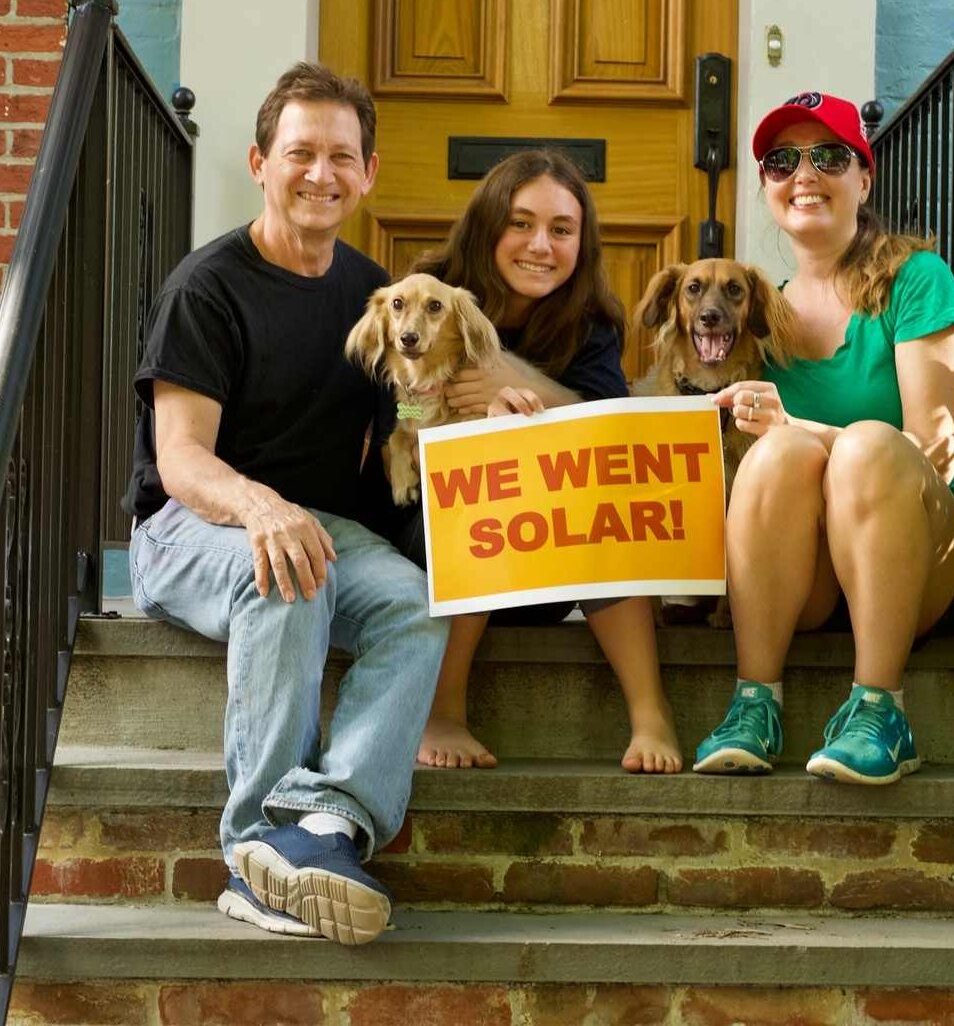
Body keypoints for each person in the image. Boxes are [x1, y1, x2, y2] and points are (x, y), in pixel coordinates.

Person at [123, 62, 448, 944]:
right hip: (192, 525)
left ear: (369, 173)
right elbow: (182, 457)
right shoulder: (209, 286)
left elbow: (407, 428)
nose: (321, 173)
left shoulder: (373, 294)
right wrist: (261, 508)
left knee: (417, 604)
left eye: (343, 156)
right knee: (288, 572)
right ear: (261, 161)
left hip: (319, 522)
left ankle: (327, 825)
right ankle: (254, 852)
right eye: (301, 152)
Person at [692, 92, 954, 785]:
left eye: (828, 156)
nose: (804, 174)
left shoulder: (916, 279)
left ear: (864, 179)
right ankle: (754, 702)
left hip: (929, 553)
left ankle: (880, 709)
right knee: (777, 455)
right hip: (816, 572)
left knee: (862, 443)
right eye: (781, 161)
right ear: (766, 186)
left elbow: (935, 450)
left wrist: (796, 426)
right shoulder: (757, 310)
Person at [378, 149, 682, 775]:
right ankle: (445, 709)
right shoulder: (429, 295)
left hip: (548, 557)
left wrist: (510, 384)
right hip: (437, 547)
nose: (539, 245)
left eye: (561, 230)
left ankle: (651, 716)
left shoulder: (591, 321)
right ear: (489, 224)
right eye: (520, 223)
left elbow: (607, 430)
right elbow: (396, 415)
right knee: (489, 483)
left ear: (581, 242)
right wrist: (427, 412)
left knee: (607, 494)